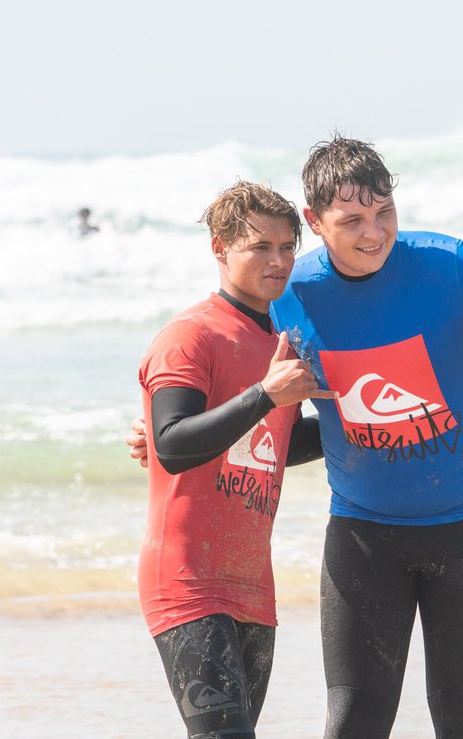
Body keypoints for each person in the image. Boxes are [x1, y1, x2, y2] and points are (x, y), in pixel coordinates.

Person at [130, 135, 463, 738]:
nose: (374, 232)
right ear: (315, 221)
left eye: (384, 212)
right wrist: (164, 428)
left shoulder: (455, 266)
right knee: (355, 720)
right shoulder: (291, 296)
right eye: (352, 219)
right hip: (363, 538)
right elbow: (244, 386)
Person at [136, 180, 333, 739]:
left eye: (287, 247)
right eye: (259, 247)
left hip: (252, 582)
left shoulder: (283, 338)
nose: (278, 261)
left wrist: (369, 426)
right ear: (220, 249)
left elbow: (275, 443)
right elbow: (172, 444)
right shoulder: (190, 336)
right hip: (187, 578)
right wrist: (266, 394)